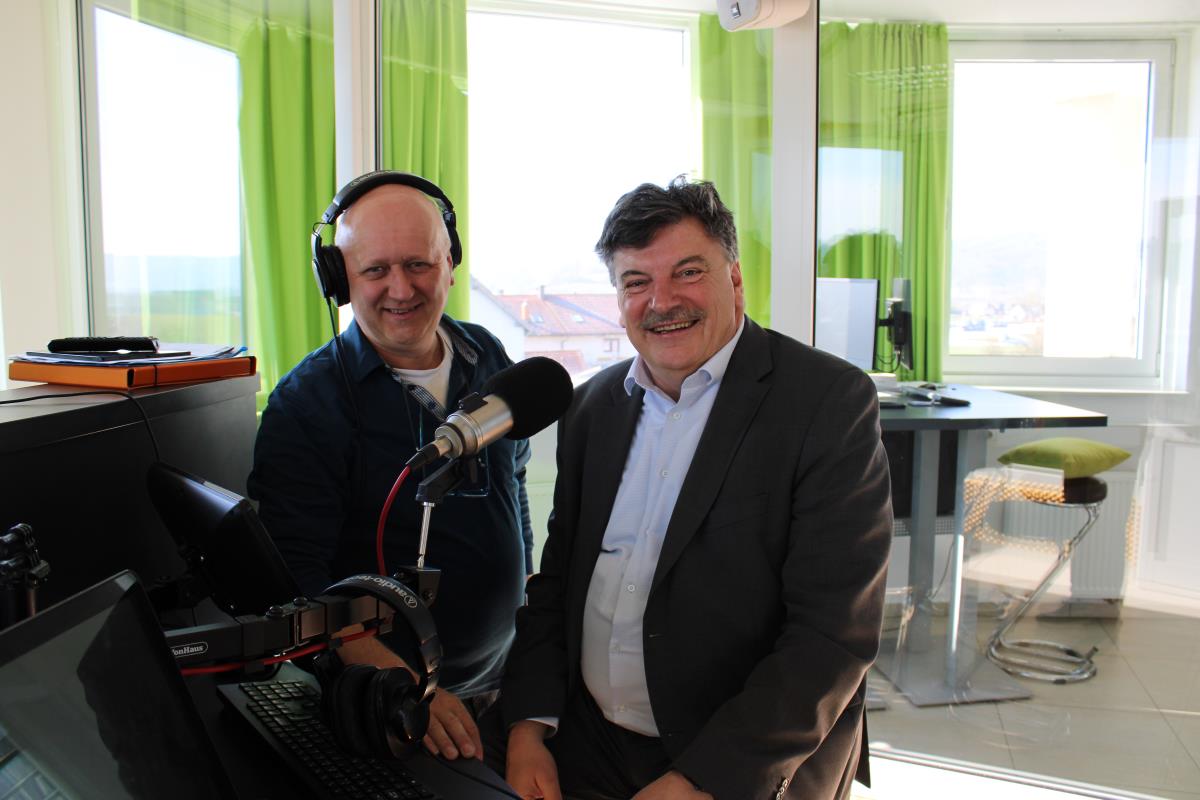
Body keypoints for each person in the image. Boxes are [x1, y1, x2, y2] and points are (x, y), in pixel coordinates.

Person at [496, 177, 892, 799]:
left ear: (734, 279)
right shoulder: (592, 408)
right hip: (588, 745)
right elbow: (557, 583)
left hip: (740, 764)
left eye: (687, 272)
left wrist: (702, 781)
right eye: (636, 282)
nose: (662, 301)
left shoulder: (827, 403)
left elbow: (832, 634)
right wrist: (528, 726)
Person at [249, 171, 532, 763]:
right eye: (375, 269)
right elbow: (293, 579)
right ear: (339, 279)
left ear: (450, 263)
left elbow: (515, 484)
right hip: (398, 708)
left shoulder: (488, 355)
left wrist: (528, 613)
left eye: (418, 264)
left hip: (505, 685)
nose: (400, 289)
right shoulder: (307, 404)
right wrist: (402, 683)